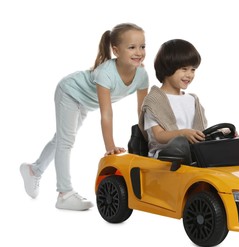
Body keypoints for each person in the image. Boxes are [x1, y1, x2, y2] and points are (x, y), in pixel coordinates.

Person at [20, 23, 149, 211]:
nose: (139, 52)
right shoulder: (106, 72)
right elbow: (106, 114)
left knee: (61, 138)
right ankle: (64, 194)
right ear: (116, 50)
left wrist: (150, 140)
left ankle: (33, 170)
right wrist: (110, 147)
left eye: (142, 46)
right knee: (66, 141)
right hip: (70, 92)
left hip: (85, 102)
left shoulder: (142, 75)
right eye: (132, 47)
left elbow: (142, 112)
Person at [138, 39, 207, 159]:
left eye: (193, 69)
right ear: (167, 68)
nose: (189, 75)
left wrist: (222, 135)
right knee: (184, 153)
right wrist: (182, 134)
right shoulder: (154, 101)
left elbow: (201, 131)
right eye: (184, 69)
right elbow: (159, 135)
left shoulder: (192, 100)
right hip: (165, 156)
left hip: (192, 153)